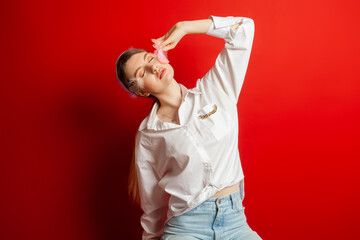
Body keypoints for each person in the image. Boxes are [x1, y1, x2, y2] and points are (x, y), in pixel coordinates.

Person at [116, 15, 261, 240]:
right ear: (142, 92)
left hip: (235, 222)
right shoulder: (148, 134)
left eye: (149, 58)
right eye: (142, 73)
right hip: (186, 228)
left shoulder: (215, 89)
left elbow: (243, 29)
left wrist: (185, 27)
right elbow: (152, 202)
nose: (153, 67)